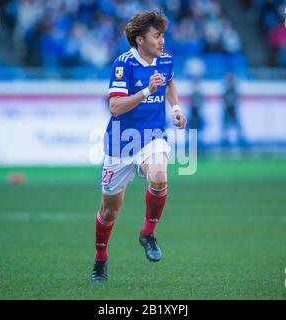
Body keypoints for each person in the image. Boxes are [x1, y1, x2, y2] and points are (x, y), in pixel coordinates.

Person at [91, 10, 187, 282]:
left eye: (163, 35)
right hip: (121, 143)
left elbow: (169, 81)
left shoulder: (165, 59)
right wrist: (146, 91)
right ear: (139, 40)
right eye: (157, 36)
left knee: (158, 176)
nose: (162, 40)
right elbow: (115, 107)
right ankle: (100, 259)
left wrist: (176, 108)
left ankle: (147, 234)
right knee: (109, 210)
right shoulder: (123, 65)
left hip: (153, 136)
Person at [221, 72, 245, 146]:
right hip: (228, 109)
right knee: (225, 127)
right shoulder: (226, 90)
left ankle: (241, 141)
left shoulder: (233, 89)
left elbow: (235, 99)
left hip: (232, 109)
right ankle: (225, 141)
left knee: (237, 127)